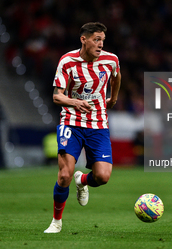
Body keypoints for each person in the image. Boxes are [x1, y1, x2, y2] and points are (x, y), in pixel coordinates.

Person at [44, 22, 121, 233]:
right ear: (83, 39)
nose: (100, 45)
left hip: (98, 124)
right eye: (96, 40)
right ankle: (56, 221)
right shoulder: (67, 61)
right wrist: (75, 102)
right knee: (64, 175)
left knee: (103, 177)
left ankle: (83, 180)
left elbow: (116, 76)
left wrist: (112, 99)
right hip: (71, 122)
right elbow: (57, 95)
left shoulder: (111, 59)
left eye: (103, 40)